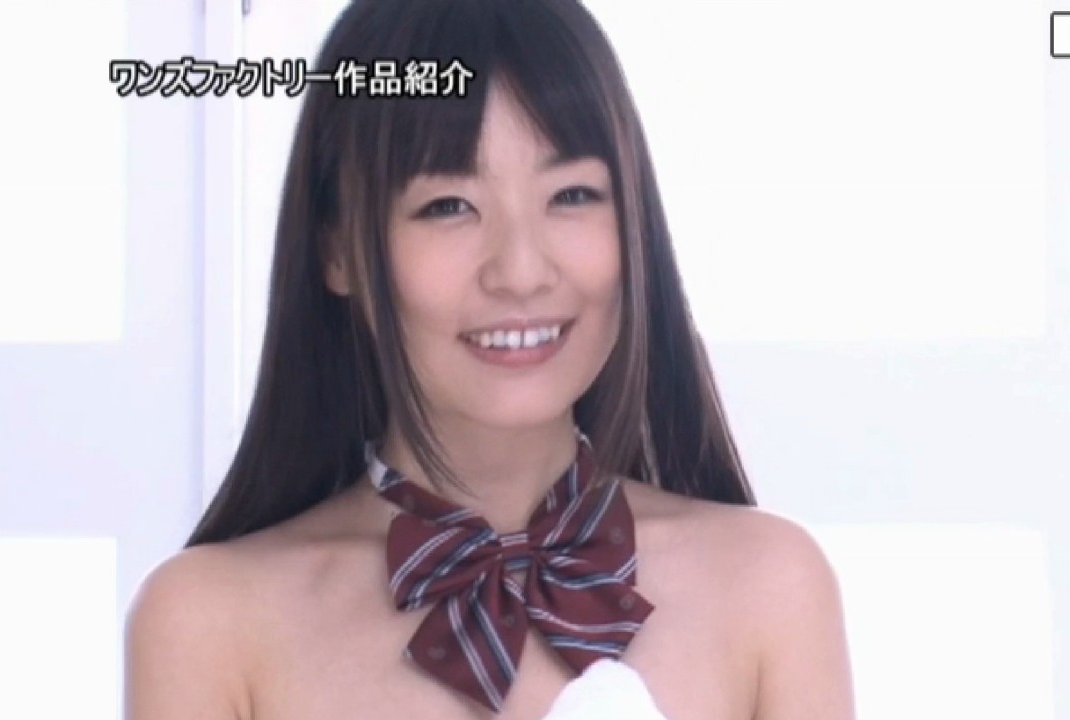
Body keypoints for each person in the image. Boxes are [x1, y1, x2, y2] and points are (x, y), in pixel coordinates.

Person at [124, 1, 856, 718]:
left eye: (572, 195)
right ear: (338, 248)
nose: (521, 271)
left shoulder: (769, 589)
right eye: (448, 205)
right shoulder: (209, 625)